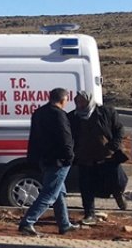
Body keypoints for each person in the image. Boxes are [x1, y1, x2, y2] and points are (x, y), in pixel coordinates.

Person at [17, 88, 82, 236]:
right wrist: (70, 156)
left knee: (59, 191)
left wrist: (33, 157)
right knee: (50, 193)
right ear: (63, 99)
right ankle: (28, 222)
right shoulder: (59, 115)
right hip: (58, 160)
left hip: (44, 158)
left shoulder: (39, 113)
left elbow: (34, 137)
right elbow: (65, 138)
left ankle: (64, 224)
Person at [69, 91, 126, 219]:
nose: (80, 104)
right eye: (78, 101)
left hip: (106, 155)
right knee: (86, 186)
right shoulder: (73, 117)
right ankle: (89, 213)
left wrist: (113, 145)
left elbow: (119, 129)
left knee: (115, 181)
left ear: (89, 101)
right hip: (84, 157)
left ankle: (118, 195)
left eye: (83, 101)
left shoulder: (106, 112)